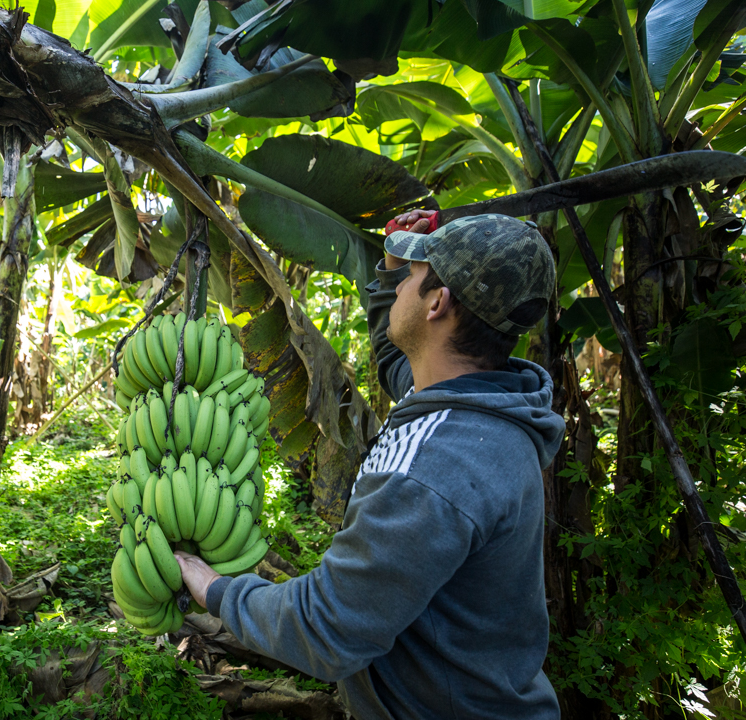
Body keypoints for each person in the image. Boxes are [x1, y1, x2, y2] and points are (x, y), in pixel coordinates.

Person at [176, 211, 566, 719]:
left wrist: (216, 591)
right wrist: (390, 269)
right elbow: (394, 355)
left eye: (413, 276)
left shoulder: (434, 470)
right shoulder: (473, 404)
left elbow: (327, 626)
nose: (402, 282)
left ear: (438, 303)